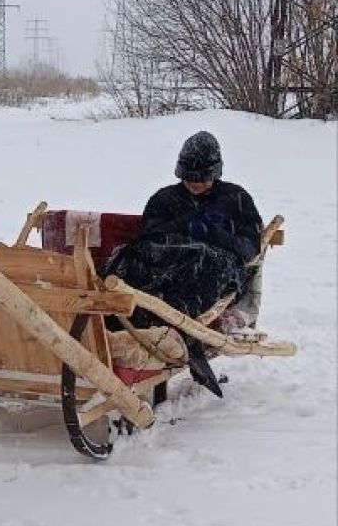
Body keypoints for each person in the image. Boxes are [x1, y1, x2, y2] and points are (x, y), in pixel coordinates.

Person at [104, 131, 263, 397]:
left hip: (213, 268)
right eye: (188, 177)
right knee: (132, 258)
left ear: (215, 172)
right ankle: (129, 313)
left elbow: (249, 250)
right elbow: (147, 240)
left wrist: (215, 234)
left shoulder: (236, 199)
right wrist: (183, 226)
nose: (194, 184)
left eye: (200, 177)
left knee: (206, 260)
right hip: (166, 266)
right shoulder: (164, 199)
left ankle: (177, 324)